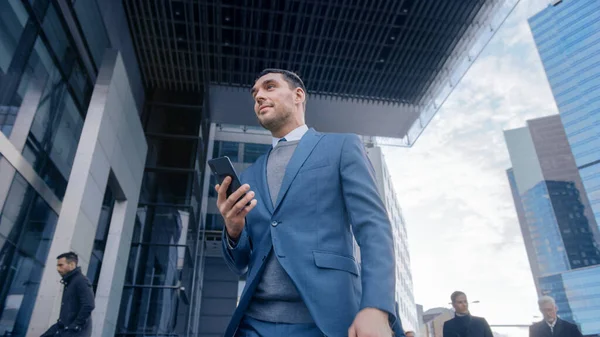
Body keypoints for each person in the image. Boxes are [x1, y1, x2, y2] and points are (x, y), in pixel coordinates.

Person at [216, 69, 399, 337]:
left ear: (298, 95)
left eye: (269, 87)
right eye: (255, 93)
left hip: (324, 321)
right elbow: (241, 263)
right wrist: (233, 229)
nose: (259, 96)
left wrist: (376, 306)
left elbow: (373, 228)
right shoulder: (249, 174)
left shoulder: (341, 146)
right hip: (253, 324)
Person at [41, 252, 95, 337]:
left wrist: (75, 327)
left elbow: (89, 305)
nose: (57, 269)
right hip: (64, 329)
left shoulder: (81, 281)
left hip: (75, 333)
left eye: (61, 265)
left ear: (72, 265)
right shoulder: (70, 282)